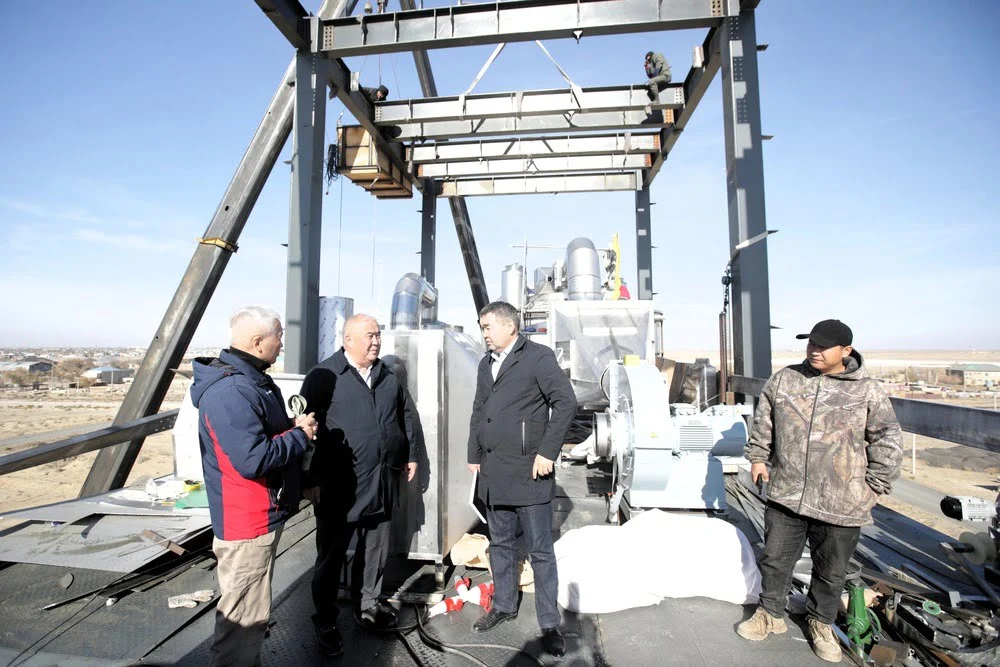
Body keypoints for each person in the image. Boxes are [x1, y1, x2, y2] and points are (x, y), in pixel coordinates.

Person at [736, 319, 902, 663]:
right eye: (811, 343)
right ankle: (770, 613)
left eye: (824, 346)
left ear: (846, 350)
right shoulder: (786, 379)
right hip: (787, 492)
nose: (815, 350)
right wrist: (758, 458)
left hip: (842, 502)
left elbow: (887, 437)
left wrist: (875, 484)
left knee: (831, 570)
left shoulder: (866, 390)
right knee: (775, 560)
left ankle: (820, 622)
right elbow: (764, 420)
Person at [191, 306, 317, 666]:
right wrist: (300, 436)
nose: (282, 343)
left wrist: (290, 426)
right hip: (247, 522)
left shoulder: (250, 381)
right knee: (243, 621)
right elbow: (253, 459)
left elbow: (257, 434)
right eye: (279, 336)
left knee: (250, 612)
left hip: (257, 516)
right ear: (258, 342)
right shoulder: (232, 390)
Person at [301, 314, 417, 658]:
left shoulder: (386, 375)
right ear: (347, 339)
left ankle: (368, 604)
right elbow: (305, 430)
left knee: (377, 548)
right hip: (340, 485)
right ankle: (325, 619)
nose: (376, 341)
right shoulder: (324, 376)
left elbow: (404, 415)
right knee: (331, 555)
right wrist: (310, 479)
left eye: (378, 335)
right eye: (369, 335)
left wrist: (410, 455)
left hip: (382, 478)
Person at [467, 301, 577, 659]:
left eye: (488, 327)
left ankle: (549, 624)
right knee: (499, 543)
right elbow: (479, 410)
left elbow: (566, 402)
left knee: (541, 551)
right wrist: (473, 453)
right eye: (482, 327)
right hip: (494, 471)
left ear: (509, 327)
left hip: (530, 472)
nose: (484, 333)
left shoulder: (537, 357)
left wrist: (547, 451)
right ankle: (503, 605)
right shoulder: (486, 363)